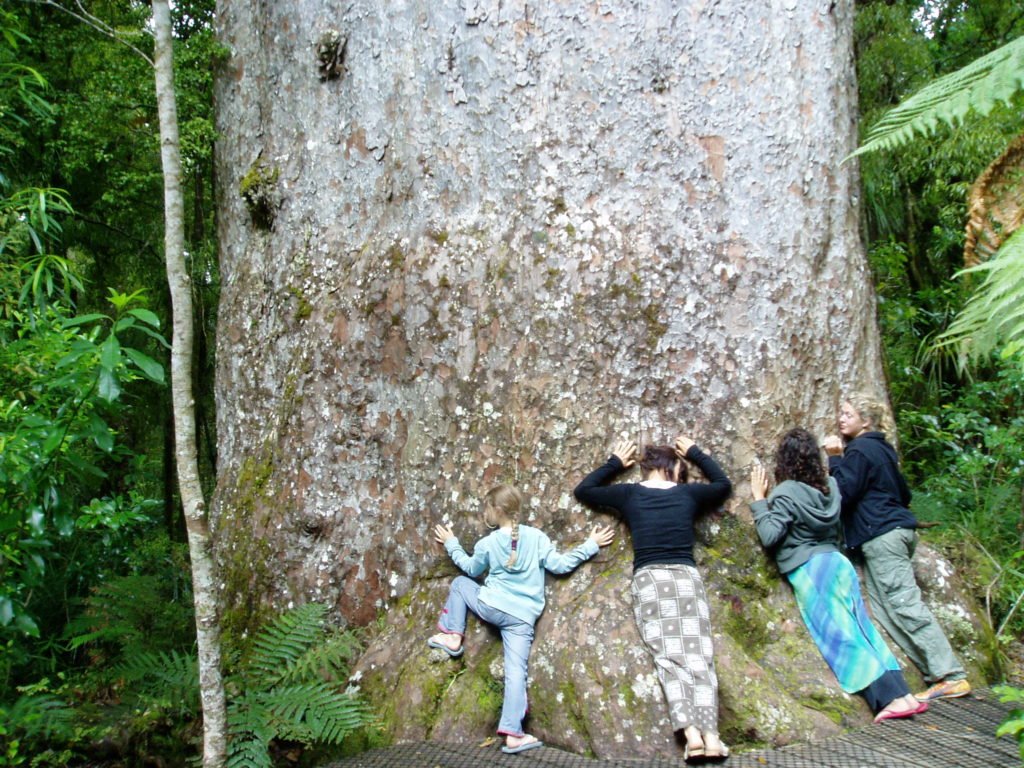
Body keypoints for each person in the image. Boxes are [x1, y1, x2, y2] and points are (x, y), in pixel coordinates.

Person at [750, 428, 926, 723]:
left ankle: (887, 698)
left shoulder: (785, 493)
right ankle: (903, 693)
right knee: (862, 629)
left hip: (812, 568)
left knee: (840, 634)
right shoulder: (830, 486)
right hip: (838, 562)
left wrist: (759, 500)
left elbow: (769, 535)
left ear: (784, 460)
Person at [574, 436, 732, 763]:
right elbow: (722, 484)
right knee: (699, 657)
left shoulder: (630, 493)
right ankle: (712, 737)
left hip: (651, 582)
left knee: (668, 659)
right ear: (671, 466)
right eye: (681, 469)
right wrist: (695, 452)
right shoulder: (688, 492)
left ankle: (691, 736)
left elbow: (584, 490)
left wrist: (615, 462)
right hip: (685, 578)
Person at [427, 483, 615, 755]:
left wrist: (451, 543)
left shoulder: (488, 543)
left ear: (498, 510)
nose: (485, 513)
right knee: (516, 670)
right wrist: (590, 545)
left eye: (487, 508)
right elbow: (560, 566)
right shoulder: (537, 537)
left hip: (491, 606)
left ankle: (453, 636)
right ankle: (514, 733)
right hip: (522, 618)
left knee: (459, 584)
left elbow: (469, 568)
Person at [823, 393, 971, 702]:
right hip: (895, 532)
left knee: (903, 603)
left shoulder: (860, 450)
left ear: (866, 421)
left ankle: (951, 674)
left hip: (883, 536)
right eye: (841, 413)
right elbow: (903, 493)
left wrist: (835, 458)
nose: (841, 419)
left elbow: (845, 493)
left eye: (848, 414)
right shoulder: (884, 450)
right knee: (885, 607)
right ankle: (936, 674)